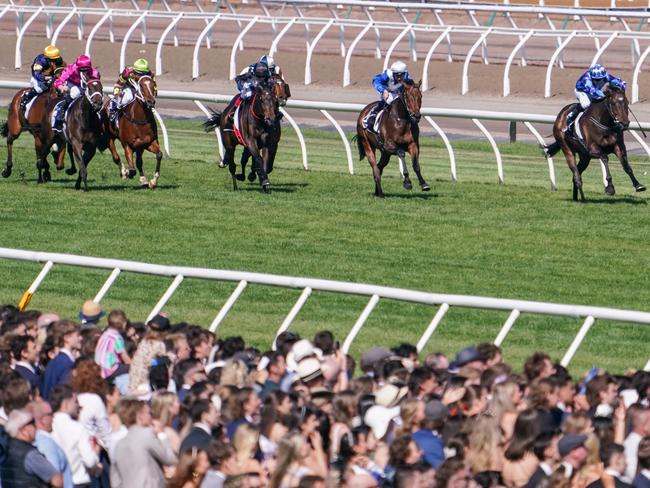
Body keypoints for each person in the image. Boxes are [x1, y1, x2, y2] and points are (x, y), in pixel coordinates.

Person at [110, 397, 177, 488]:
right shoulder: (146, 434)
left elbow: (115, 480)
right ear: (140, 416)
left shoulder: (119, 445)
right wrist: (162, 434)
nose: (151, 417)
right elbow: (169, 458)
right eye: (148, 413)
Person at [0, 408, 63, 488]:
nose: (36, 426)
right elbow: (57, 480)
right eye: (32, 423)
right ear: (23, 430)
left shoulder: (4, 450)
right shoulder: (30, 454)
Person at [565, 64, 627, 131]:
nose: (598, 81)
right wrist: (604, 93)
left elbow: (619, 81)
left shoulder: (605, 75)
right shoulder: (586, 79)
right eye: (596, 80)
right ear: (591, 77)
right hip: (582, 91)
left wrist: (621, 87)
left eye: (600, 79)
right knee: (586, 104)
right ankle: (572, 115)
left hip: (595, 90)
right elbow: (593, 91)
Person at [51, 54, 101, 132]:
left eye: (86, 69)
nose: (84, 71)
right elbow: (59, 81)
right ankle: (59, 117)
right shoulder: (71, 69)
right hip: (72, 85)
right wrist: (61, 87)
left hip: (86, 86)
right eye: (82, 69)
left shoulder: (94, 72)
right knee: (75, 92)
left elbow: (96, 84)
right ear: (77, 67)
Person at [31, 399, 74, 488]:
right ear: (42, 419)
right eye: (50, 414)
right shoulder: (46, 444)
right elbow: (54, 478)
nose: (53, 417)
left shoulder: (40, 440)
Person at [364, 61, 413, 134]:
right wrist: (383, 90)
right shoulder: (387, 75)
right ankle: (373, 115)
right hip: (387, 91)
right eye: (397, 75)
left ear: (405, 73)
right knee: (388, 101)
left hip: (399, 94)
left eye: (401, 75)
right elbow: (375, 80)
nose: (399, 78)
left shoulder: (408, 78)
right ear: (393, 73)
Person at [41, 321, 81, 400]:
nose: (81, 338)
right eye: (78, 335)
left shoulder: (54, 361)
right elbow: (65, 393)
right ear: (66, 338)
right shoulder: (66, 363)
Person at [20, 45, 65, 113]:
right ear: (47, 58)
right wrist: (46, 78)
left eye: (55, 59)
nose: (54, 62)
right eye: (52, 60)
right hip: (38, 78)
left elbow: (62, 70)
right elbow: (37, 74)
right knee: (40, 89)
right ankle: (26, 97)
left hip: (52, 76)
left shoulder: (58, 60)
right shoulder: (40, 60)